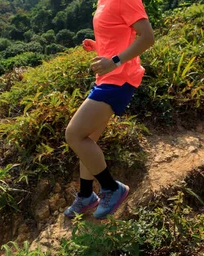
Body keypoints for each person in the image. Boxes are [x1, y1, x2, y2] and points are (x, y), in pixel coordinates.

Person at [63, 0, 155, 220]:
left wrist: (114, 61)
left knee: (74, 135)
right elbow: (119, 35)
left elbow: (147, 37)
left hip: (119, 79)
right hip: (108, 78)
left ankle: (112, 188)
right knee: (87, 140)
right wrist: (98, 46)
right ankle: (86, 196)